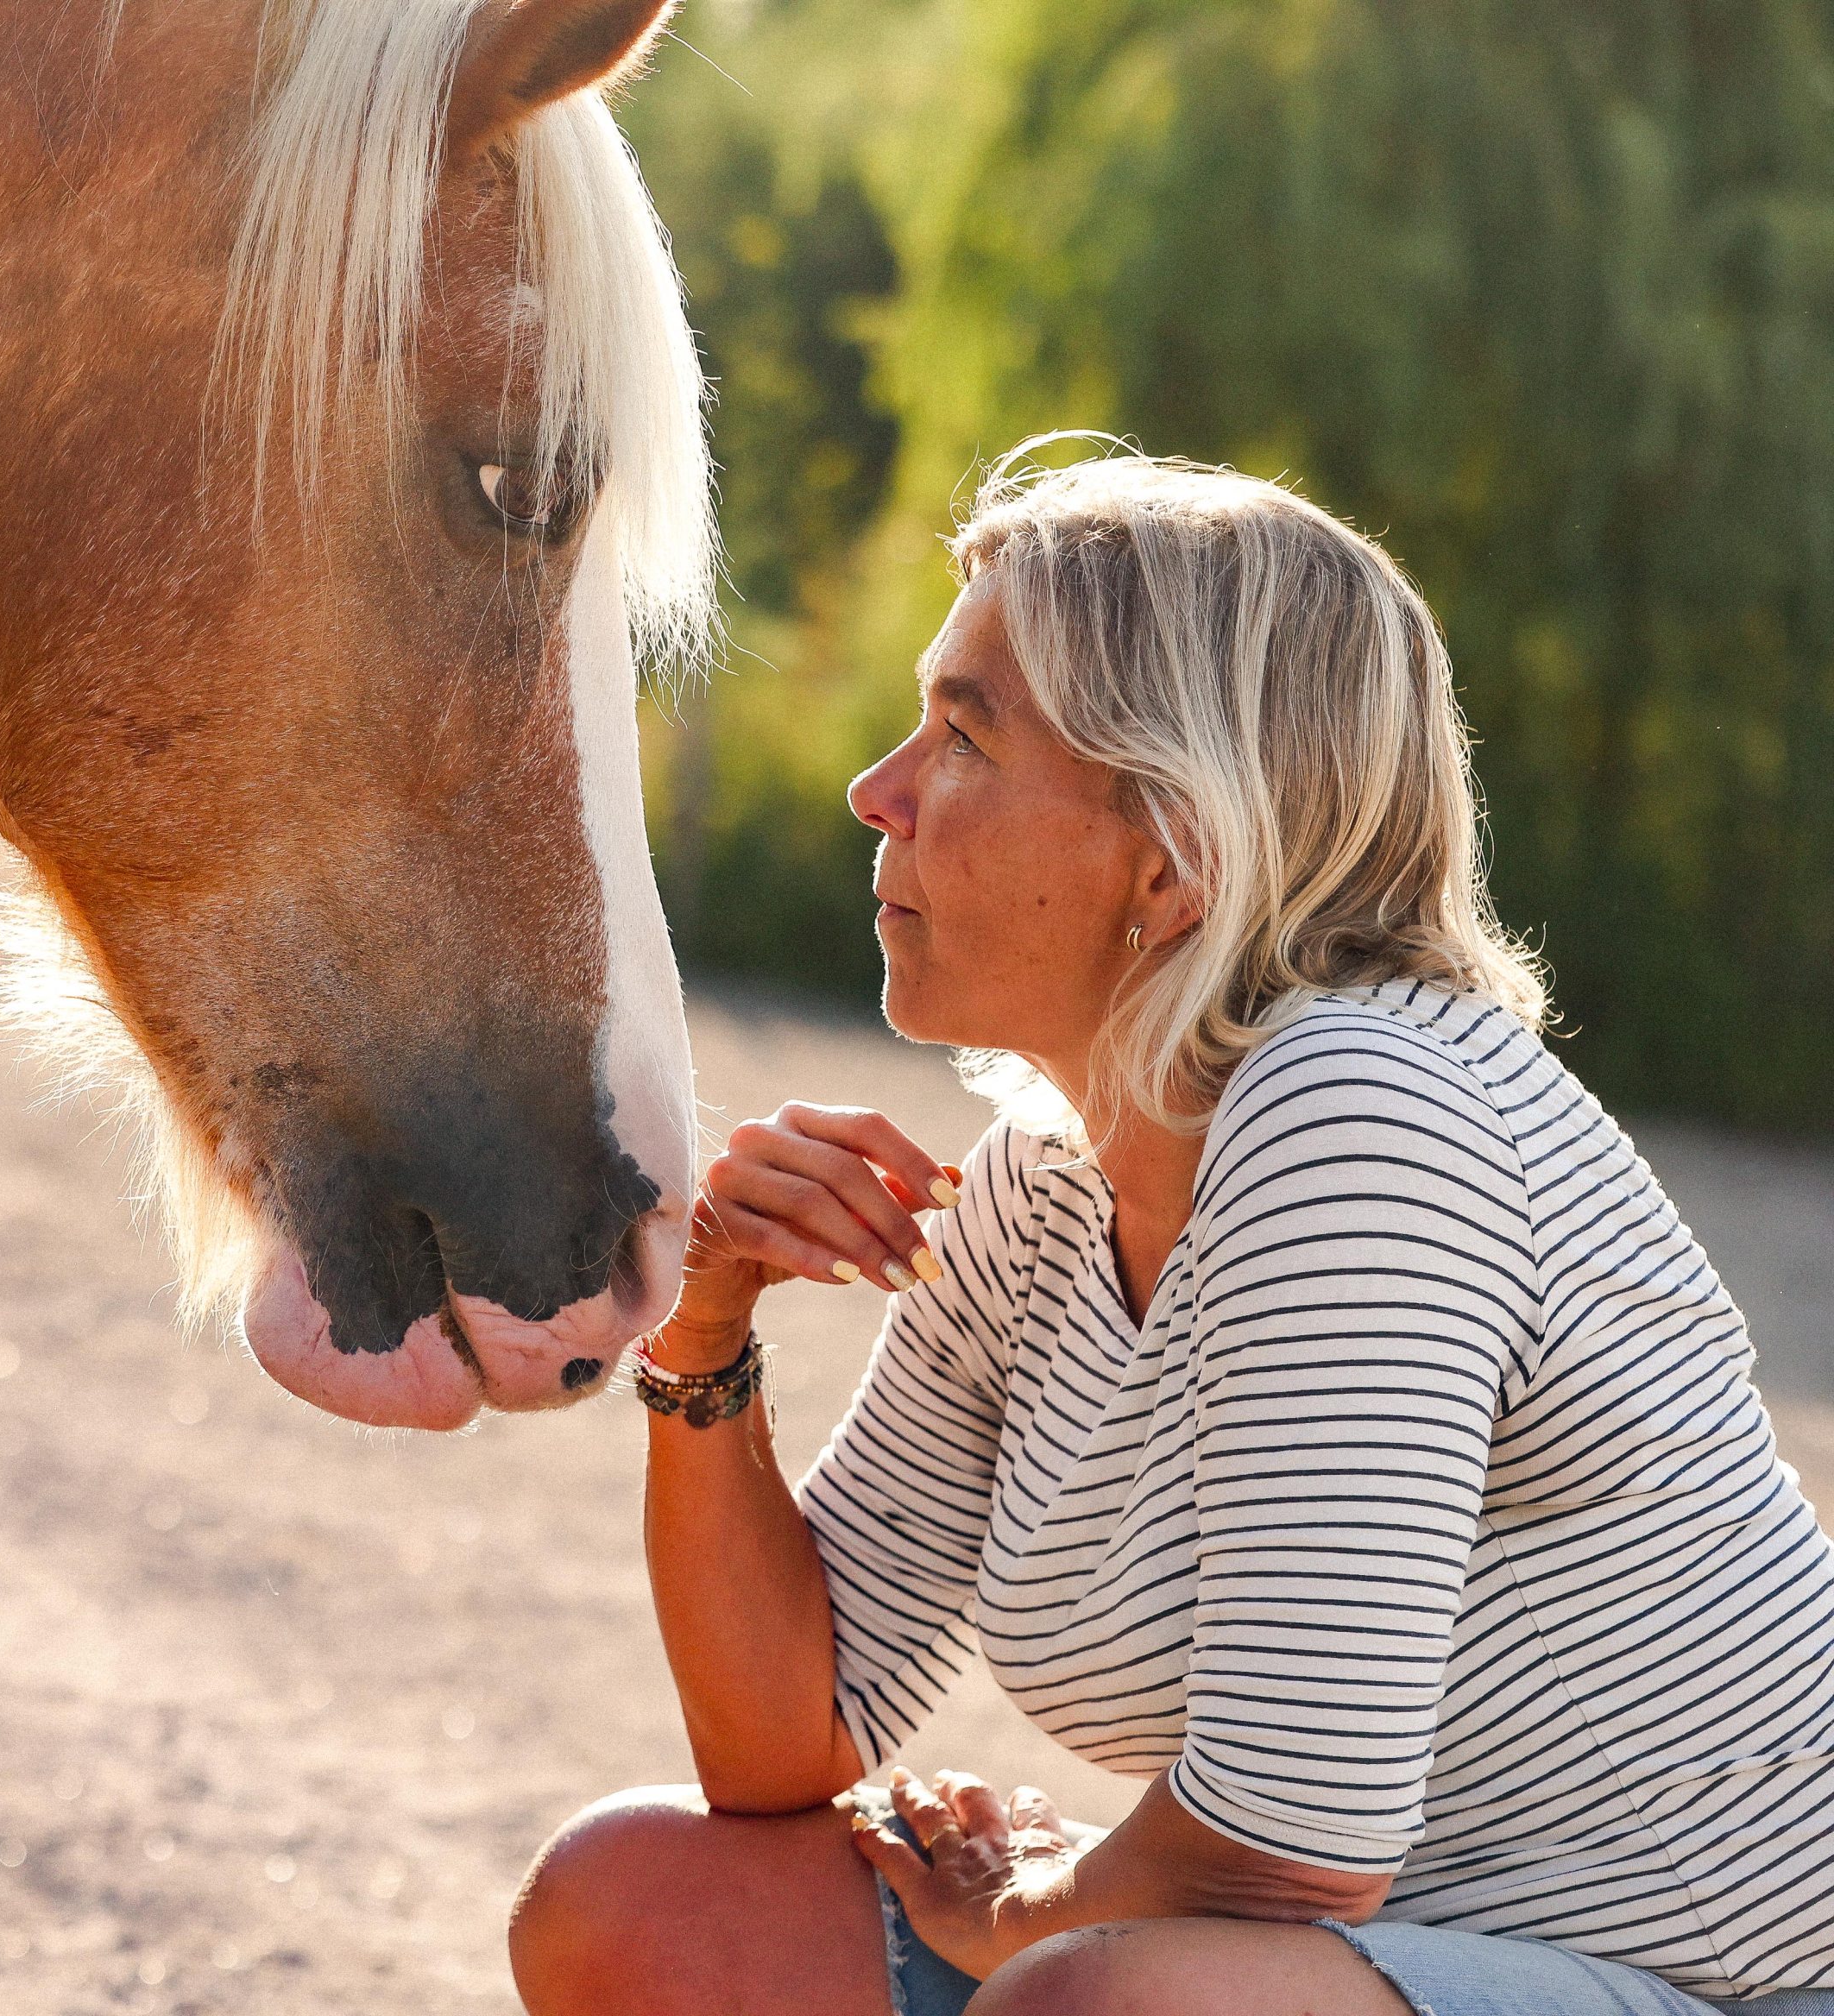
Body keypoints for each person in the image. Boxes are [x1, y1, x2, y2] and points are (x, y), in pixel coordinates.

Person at [507, 444, 1834, 2016]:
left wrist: (1033, 1913)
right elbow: (790, 1742)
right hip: (1346, 1965)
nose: (880, 792)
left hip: (1725, 1989)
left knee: (1098, 2006)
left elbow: (1291, 1847)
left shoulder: (1365, 1105)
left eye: (963, 734)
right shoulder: (1042, 1187)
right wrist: (707, 1332)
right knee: (626, 1909)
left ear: (1176, 858)